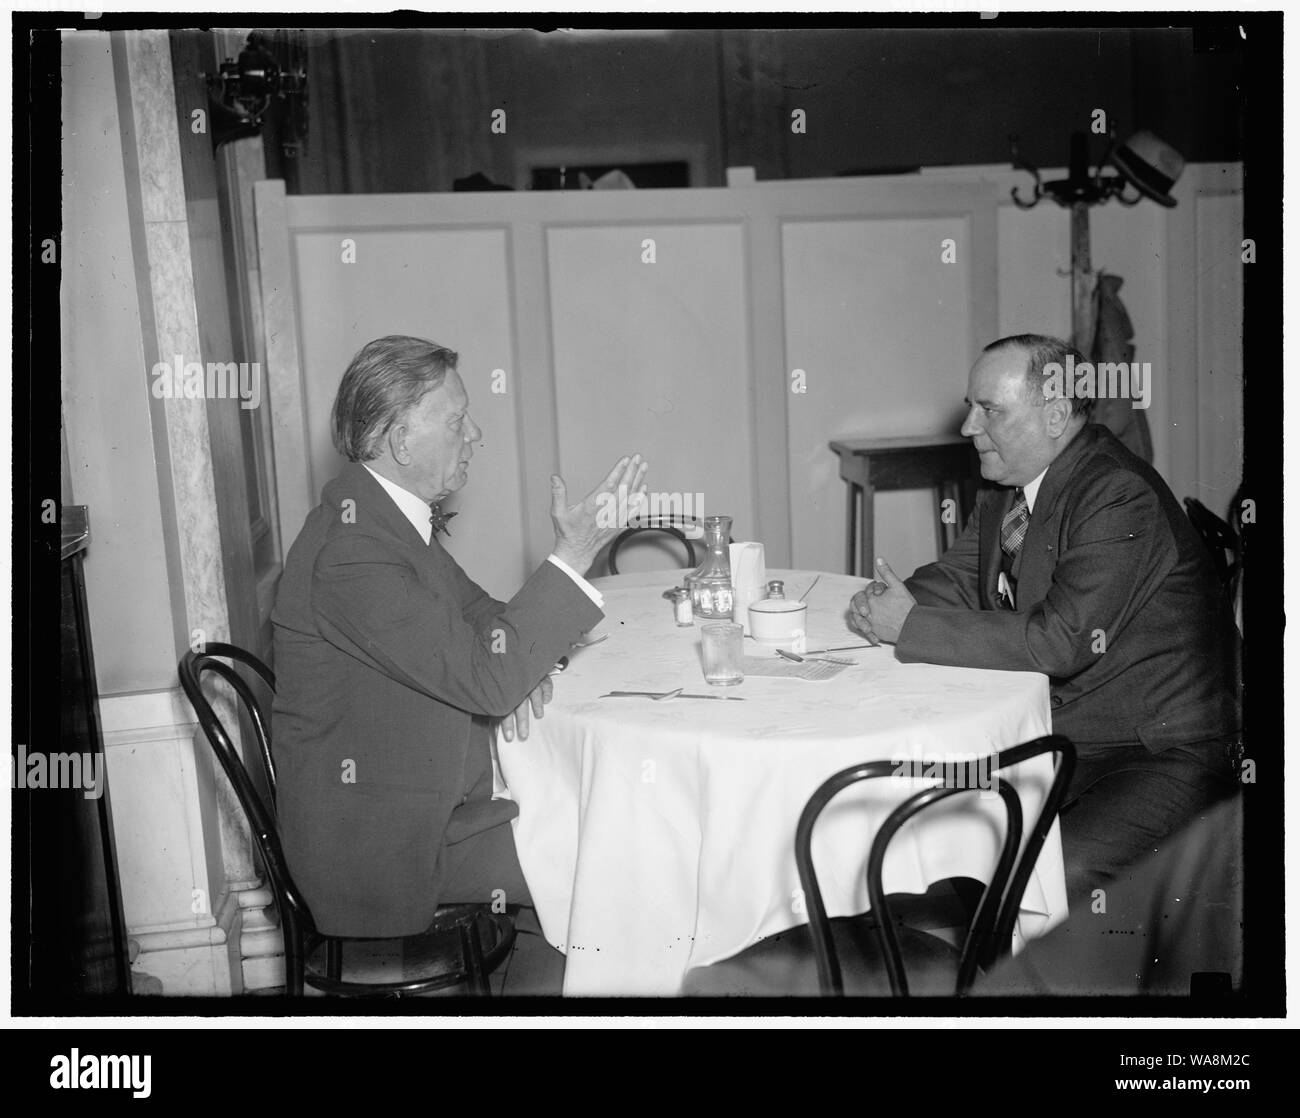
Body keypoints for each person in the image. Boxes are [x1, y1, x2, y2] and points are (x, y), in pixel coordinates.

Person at [271, 335, 648, 938]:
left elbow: (481, 618)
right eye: (456, 420)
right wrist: (571, 558)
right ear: (400, 440)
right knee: (627, 851)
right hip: (388, 846)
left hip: (428, 796)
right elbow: (490, 675)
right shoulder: (353, 553)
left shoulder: (378, 517)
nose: (475, 434)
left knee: (615, 814)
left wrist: (519, 667)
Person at [849, 334, 1241, 905]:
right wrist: (887, 602)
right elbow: (960, 578)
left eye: (991, 411)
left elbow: (1062, 641)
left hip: (1165, 747)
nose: (967, 427)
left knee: (1058, 869)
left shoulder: (1114, 492)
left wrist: (907, 626)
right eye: (971, 406)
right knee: (937, 817)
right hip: (1075, 733)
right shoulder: (1014, 484)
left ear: (1056, 416)